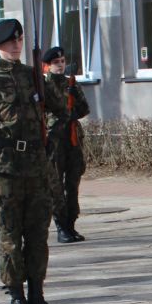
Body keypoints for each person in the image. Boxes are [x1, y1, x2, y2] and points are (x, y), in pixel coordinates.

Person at [0, 18, 66, 304]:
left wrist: (49, 141)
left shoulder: (33, 76)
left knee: (37, 235)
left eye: (19, 39)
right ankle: (17, 299)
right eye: (11, 41)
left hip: (36, 167)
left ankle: (37, 297)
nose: (16, 45)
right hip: (6, 168)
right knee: (10, 236)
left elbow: (62, 110)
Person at [42, 46, 90, 244]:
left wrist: (75, 96)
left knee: (73, 183)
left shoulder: (70, 82)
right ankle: (61, 226)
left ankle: (71, 224)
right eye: (56, 62)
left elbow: (84, 109)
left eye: (62, 61)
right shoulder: (43, 85)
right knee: (56, 185)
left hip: (72, 139)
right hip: (54, 139)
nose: (60, 65)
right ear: (47, 65)